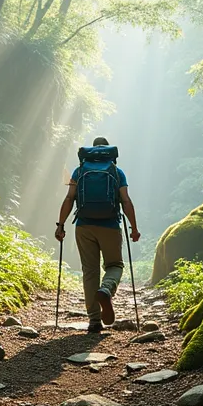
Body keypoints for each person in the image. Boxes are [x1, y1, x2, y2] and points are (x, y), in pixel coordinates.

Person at [55, 136, 140, 332]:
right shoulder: (117, 172)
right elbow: (126, 201)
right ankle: (106, 289)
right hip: (110, 226)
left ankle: (94, 320)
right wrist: (134, 228)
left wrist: (60, 225)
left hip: (84, 227)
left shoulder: (79, 171)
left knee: (90, 271)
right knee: (115, 265)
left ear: (91, 151)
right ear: (109, 151)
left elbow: (69, 198)